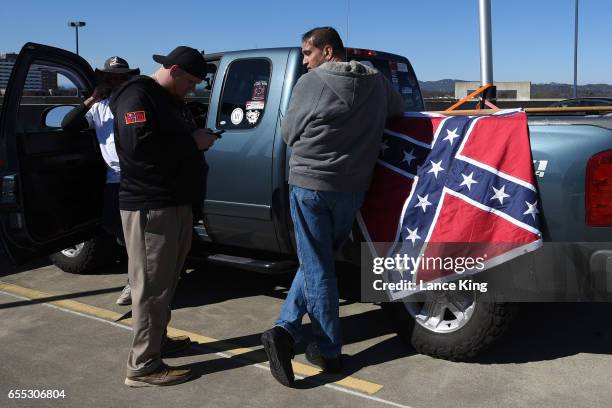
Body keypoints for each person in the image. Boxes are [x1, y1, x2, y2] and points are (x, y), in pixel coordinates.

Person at [261, 27, 405, 386]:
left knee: (318, 266)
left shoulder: (312, 83)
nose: (305, 61)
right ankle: (288, 328)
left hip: (310, 185)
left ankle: (324, 348)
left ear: (328, 51)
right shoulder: (376, 81)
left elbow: (288, 133)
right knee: (319, 261)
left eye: (307, 53)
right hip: (353, 187)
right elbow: (398, 111)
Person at [110, 46, 218, 387]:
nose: (194, 89)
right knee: (151, 287)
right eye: (191, 82)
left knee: (166, 281)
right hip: (150, 207)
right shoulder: (137, 95)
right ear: (173, 70)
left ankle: (158, 340)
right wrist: (193, 144)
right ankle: (142, 365)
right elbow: (137, 147)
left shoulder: (167, 99)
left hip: (173, 203)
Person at [61, 56, 139, 306]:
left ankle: (136, 281)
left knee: (138, 233)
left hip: (138, 178)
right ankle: (138, 274)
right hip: (113, 179)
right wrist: (93, 98)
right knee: (114, 226)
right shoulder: (98, 108)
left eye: (121, 77)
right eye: (111, 77)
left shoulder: (137, 103)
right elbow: (68, 124)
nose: (116, 82)